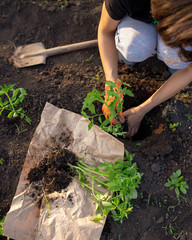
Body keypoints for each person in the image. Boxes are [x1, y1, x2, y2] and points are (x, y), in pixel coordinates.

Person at [98, 0, 192, 138]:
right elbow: (105, 32)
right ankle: (130, 57)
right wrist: (112, 85)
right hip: (140, 16)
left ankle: (175, 64)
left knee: (174, 54)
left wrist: (141, 110)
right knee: (134, 45)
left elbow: (190, 70)